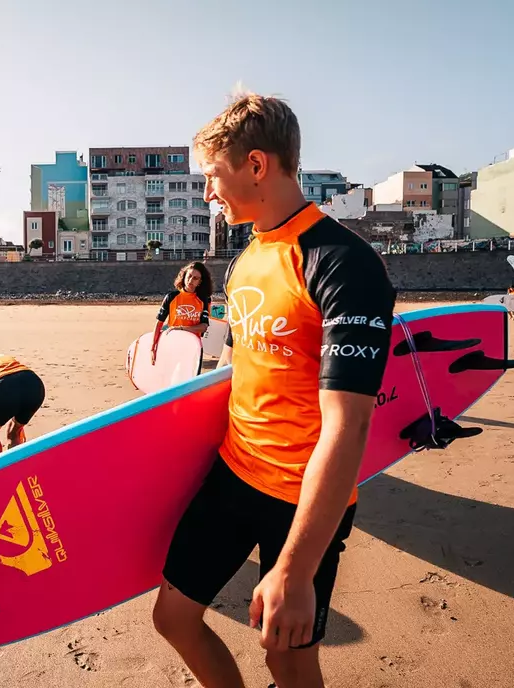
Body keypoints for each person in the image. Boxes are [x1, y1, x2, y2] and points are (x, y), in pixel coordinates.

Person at [152, 91, 396, 688]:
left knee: (286, 658)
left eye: (212, 175)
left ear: (256, 165)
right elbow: (242, 373)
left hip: (304, 499)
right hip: (234, 474)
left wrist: (295, 567)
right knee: (174, 617)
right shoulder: (246, 260)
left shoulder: (343, 263)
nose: (207, 192)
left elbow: (349, 425)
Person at [151, 261, 214, 373]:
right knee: (171, 379)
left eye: (195, 278)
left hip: (193, 347)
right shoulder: (171, 297)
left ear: (200, 282)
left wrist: (181, 328)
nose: (191, 280)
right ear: (184, 276)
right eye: (189, 276)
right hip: (172, 345)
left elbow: (204, 326)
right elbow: (159, 322)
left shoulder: (203, 299)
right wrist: (153, 345)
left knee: (191, 382)